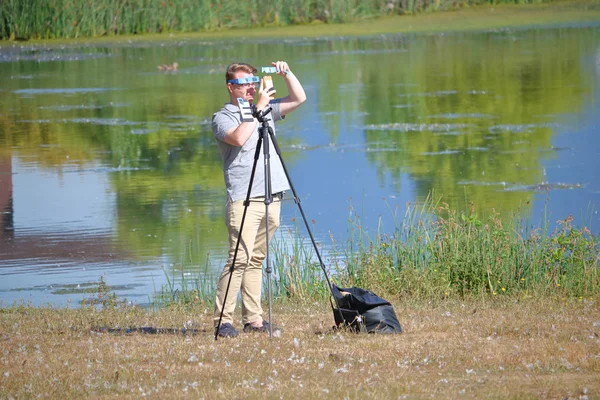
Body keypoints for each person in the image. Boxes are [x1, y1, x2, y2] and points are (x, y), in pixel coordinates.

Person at [212, 61, 306, 337]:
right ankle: (223, 322)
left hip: (272, 194)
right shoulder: (223, 117)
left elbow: (299, 98)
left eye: (253, 81)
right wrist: (257, 109)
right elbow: (239, 138)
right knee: (238, 259)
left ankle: (253, 320)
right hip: (244, 198)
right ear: (231, 87)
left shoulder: (264, 109)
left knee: (256, 259)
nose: (251, 87)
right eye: (244, 83)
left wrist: (287, 73)